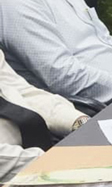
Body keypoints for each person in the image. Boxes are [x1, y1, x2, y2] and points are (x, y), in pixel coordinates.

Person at [0, 48, 89, 182]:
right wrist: (59, 163)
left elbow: (24, 92)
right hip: (21, 169)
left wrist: (81, 123)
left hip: (44, 151)